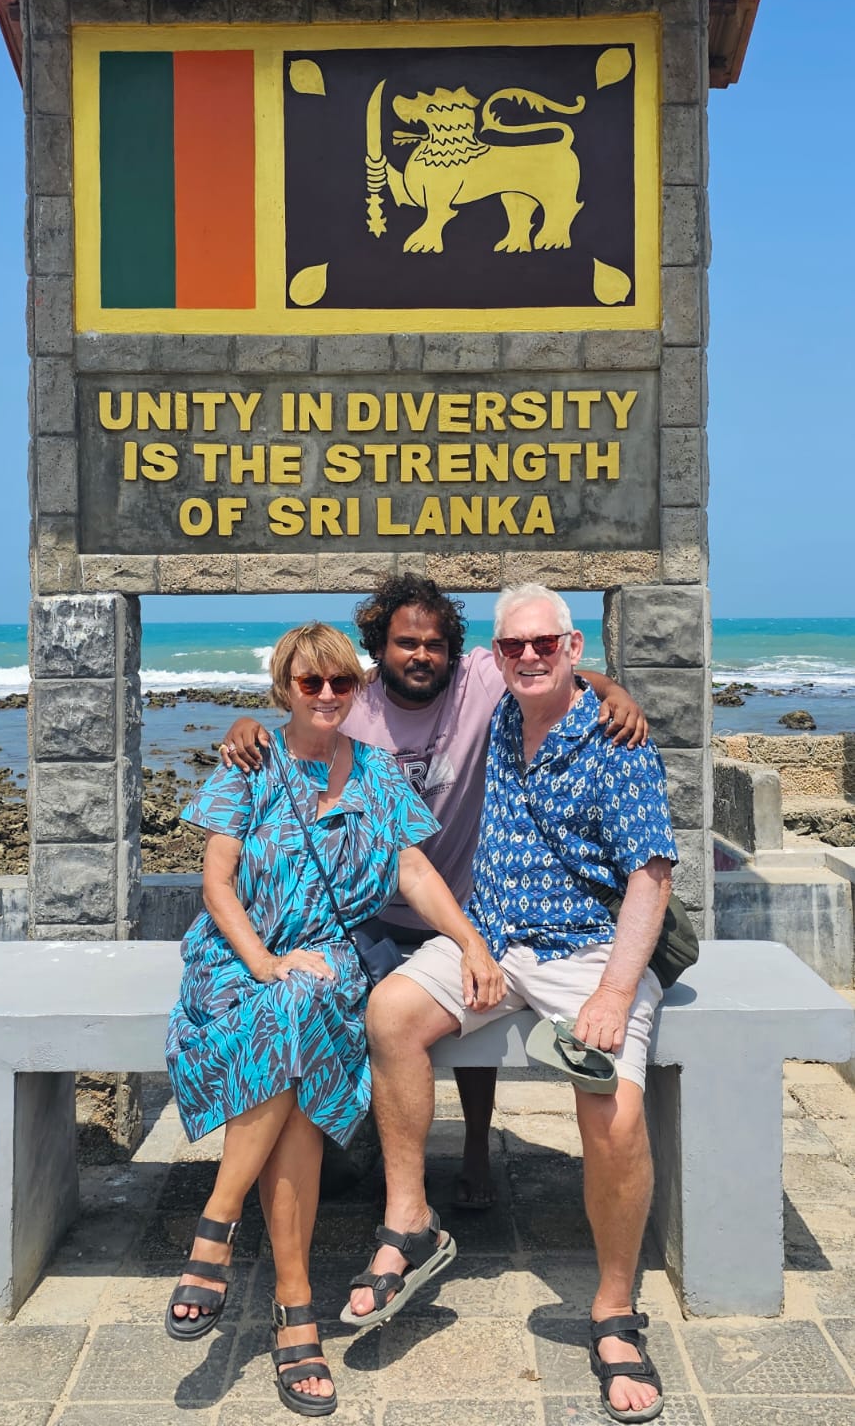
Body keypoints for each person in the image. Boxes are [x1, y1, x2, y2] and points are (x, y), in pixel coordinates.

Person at [341, 584, 677, 1426]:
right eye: (514, 646)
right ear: (493, 658)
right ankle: (411, 1220)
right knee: (391, 1015)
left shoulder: (614, 741)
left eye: (545, 645)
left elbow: (652, 875)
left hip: (585, 953)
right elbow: (315, 696)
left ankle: (611, 1310)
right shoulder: (496, 712)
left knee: (613, 1114)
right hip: (490, 937)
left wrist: (612, 991)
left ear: (573, 648)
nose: (529, 656)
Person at [222, 574, 648, 1211]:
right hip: (363, 912)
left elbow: (551, 667)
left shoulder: (481, 676)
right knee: (355, 1020)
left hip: (460, 903)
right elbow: (296, 718)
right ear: (379, 649)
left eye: (433, 644)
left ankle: (476, 1146)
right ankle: (355, 1146)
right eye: (404, 643)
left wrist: (614, 692)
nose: (420, 655)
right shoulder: (352, 698)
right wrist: (244, 722)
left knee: (473, 1022)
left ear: (455, 650)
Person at [165, 622, 503, 1417]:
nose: (324, 696)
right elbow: (217, 884)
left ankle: (219, 1233)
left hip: (325, 963)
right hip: (236, 963)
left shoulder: (380, 774)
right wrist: (263, 962)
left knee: (307, 1006)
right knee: (297, 1023)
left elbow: (413, 870)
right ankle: (294, 1313)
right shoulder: (249, 764)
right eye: (308, 683)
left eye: (340, 684)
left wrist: (471, 942)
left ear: (357, 691)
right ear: (284, 687)